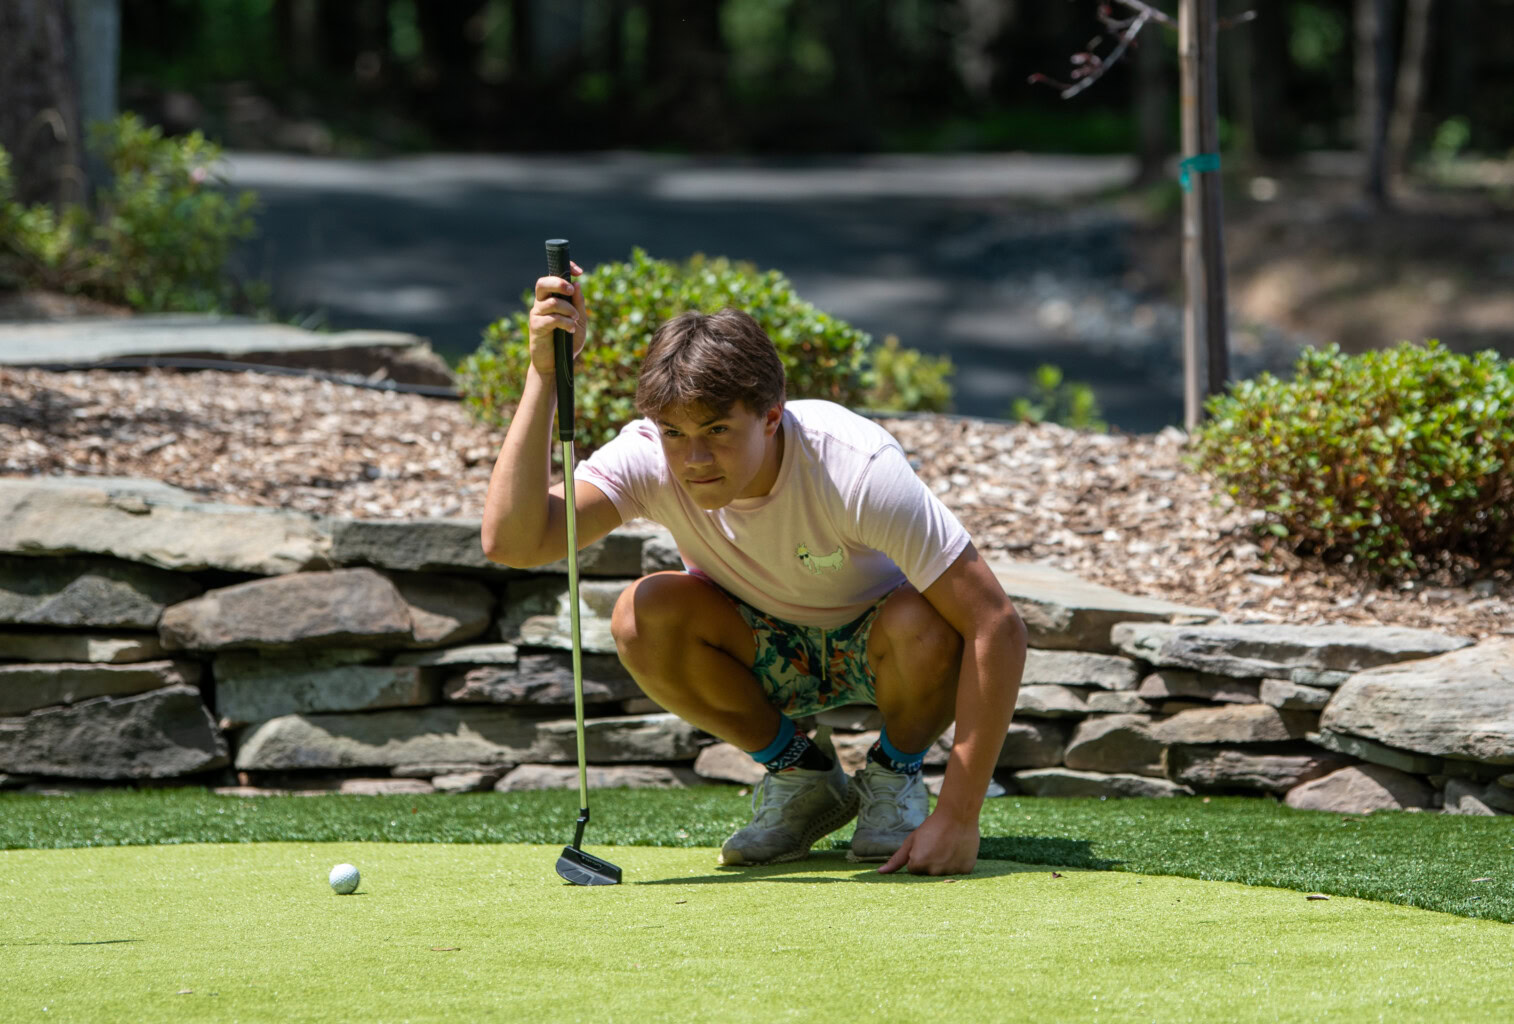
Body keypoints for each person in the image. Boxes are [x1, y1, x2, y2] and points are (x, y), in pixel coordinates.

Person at [482, 262, 1027, 876]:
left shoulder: (856, 467)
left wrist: (959, 816)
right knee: (644, 613)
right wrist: (544, 375)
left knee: (922, 616)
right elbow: (512, 541)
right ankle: (803, 777)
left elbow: (995, 624)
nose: (693, 458)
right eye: (673, 432)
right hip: (762, 650)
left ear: (771, 417)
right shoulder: (649, 457)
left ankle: (896, 775)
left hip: (890, 654)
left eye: (717, 430)